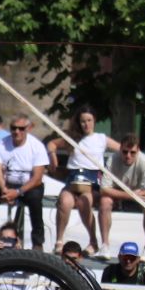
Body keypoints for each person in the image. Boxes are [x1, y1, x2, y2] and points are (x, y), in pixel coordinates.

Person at [0, 115, 49, 248]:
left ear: (27, 129)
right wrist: (4, 189)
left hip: (28, 186)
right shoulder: (1, 144)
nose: (17, 131)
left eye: (21, 128)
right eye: (13, 128)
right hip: (6, 184)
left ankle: (37, 242)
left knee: (35, 199)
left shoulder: (37, 146)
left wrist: (17, 192)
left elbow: (37, 178)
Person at [55, 107, 109, 253]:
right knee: (64, 201)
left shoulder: (101, 139)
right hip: (73, 179)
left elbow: (121, 149)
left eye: (89, 120)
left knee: (84, 201)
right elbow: (52, 144)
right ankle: (59, 240)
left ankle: (93, 241)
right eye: (83, 121)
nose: (86, 124)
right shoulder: (72, 138)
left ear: (94, 121)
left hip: (91, 181)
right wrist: (52, 156)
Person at [102, 134, 145, 254]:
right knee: (104, 201)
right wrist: (132, 195)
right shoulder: (113, 159)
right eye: (125, 152)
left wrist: (136, 196)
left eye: (132, 152)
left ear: (138, 150)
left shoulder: (144, 161)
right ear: (120, 150)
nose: (128, 156)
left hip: (139, 196)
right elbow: (104, 189)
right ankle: (104, 245)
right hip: (121, 195)